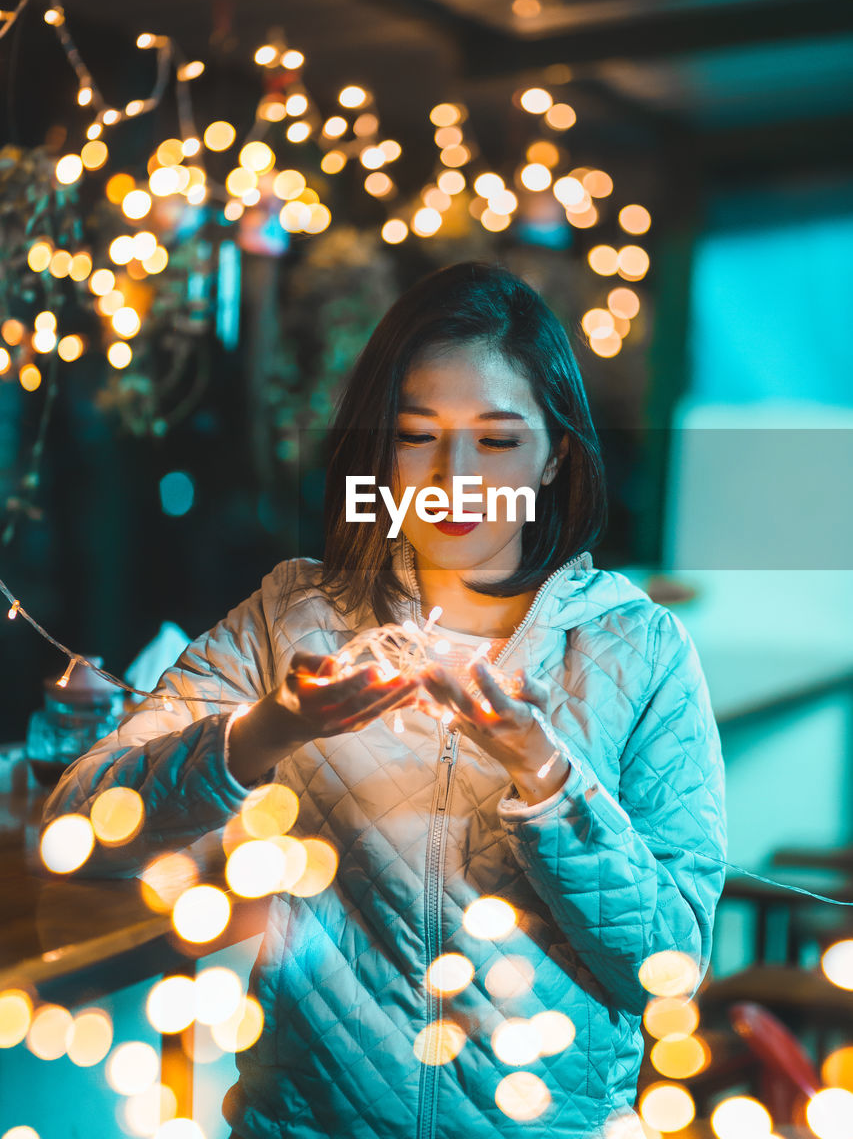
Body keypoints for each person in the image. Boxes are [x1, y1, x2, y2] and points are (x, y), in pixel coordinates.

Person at [42, 261, 727, 1139]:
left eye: (496, 438)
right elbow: (85, 826)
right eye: (417, 435)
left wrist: (543, 774)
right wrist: (268, 731)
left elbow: (665, 967)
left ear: (556, 453)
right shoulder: (296, 619)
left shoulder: (639, 650)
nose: (453, 475)